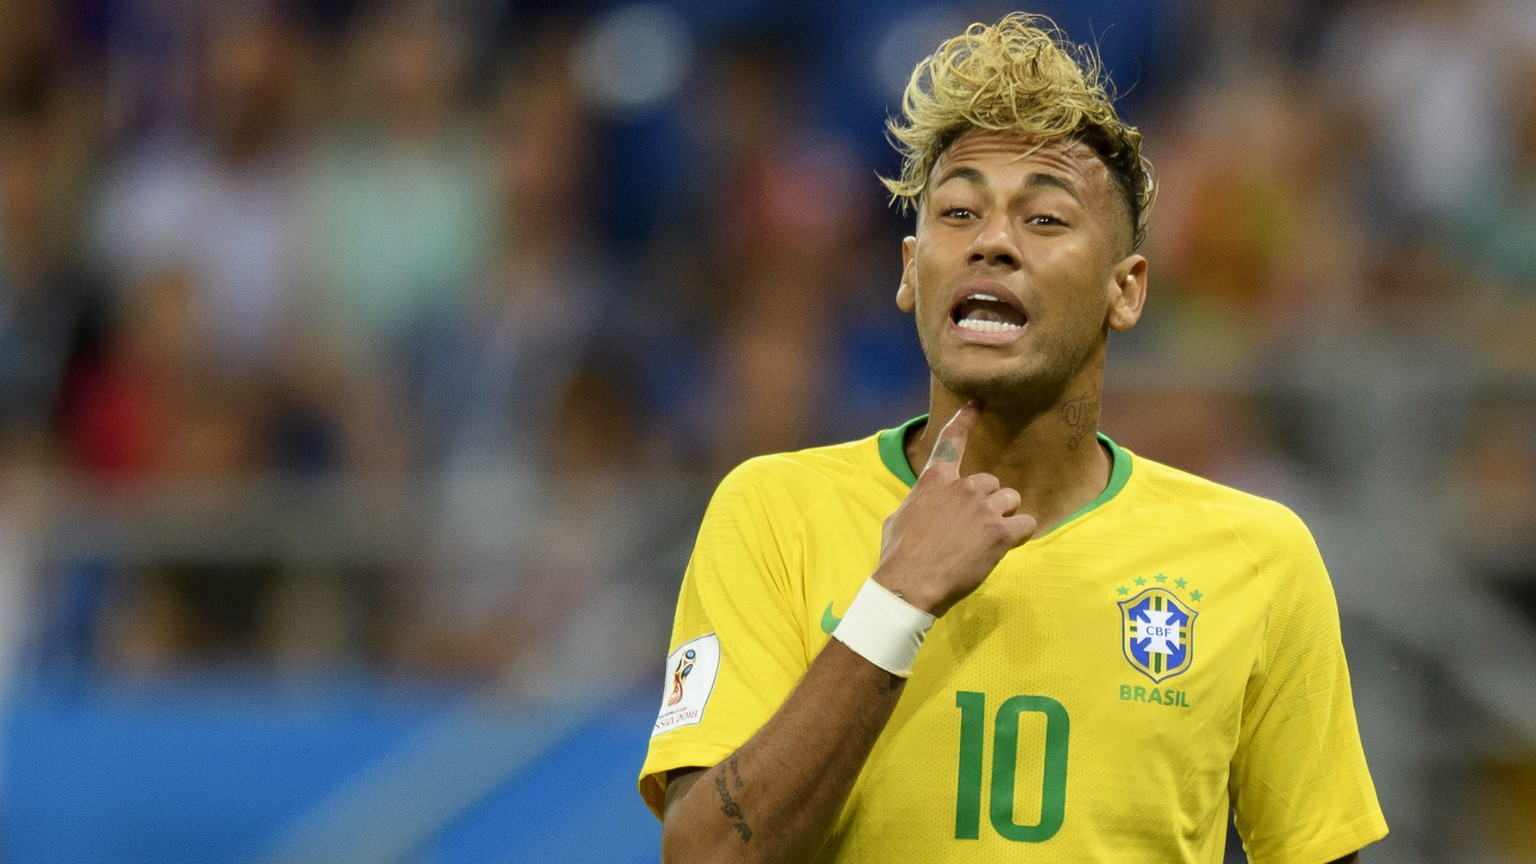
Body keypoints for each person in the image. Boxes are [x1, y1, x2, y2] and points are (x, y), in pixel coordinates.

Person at [637, 13, 1388, 863]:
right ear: (912, 270)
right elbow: (705, 855)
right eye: (959, 212)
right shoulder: (771, 511)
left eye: (1044, 220)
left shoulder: (1259, 558)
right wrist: (895, 602)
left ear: (1127, 290)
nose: (992, 241)